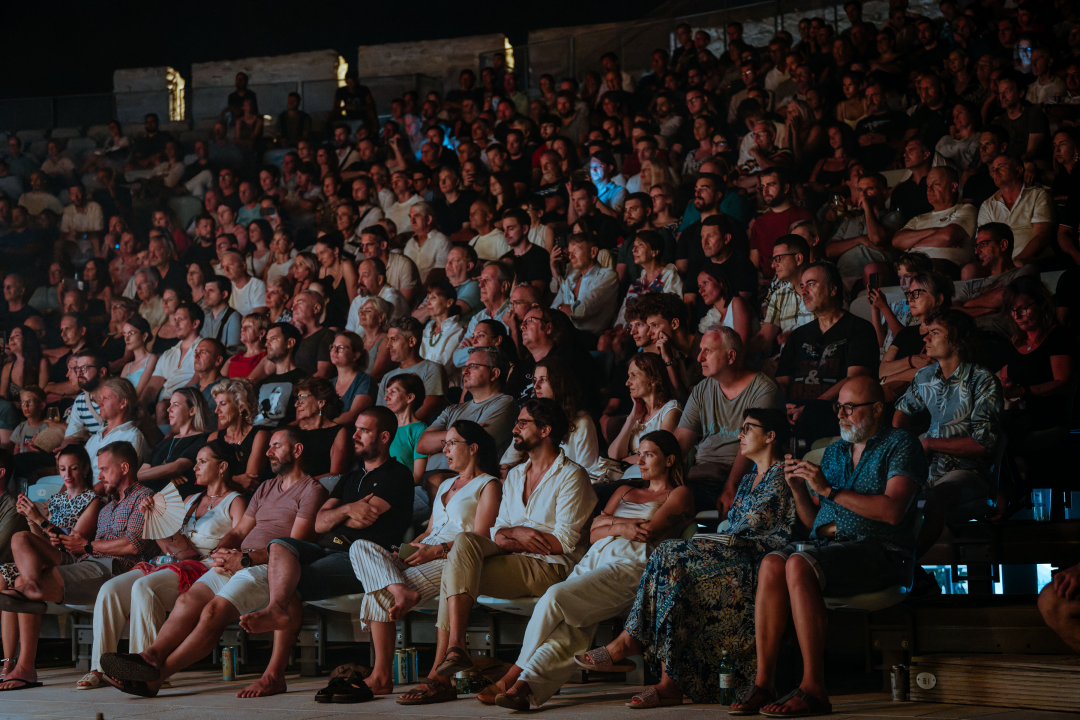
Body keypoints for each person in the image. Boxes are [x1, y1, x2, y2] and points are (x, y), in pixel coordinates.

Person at [730, 378, 927, 717]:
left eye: (851, 407)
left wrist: (829, 490)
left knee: (798, 563)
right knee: (773, 563)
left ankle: (813, 688)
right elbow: (815, 524)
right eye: (839, 407)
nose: (842, 414)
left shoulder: (901, 444)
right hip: (833, 547)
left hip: (882, 551)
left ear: (878, 409)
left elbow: (893, 512)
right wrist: (798, 490)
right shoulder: (836, 451)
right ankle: (764, 684)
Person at [576, 409, 795, 706]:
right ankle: (667, 681)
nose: (740, 435)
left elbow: (782, 530)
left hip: (756, 560)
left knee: (668, 551)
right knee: (672, 565)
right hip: (730, 550)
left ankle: (633, 642)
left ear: (771, 436)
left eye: (748, 428)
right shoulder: (748, 479)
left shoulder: (785, 475)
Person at [101, 428, 327, 698]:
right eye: (268, 446)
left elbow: (293, 546)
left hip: (269, 567)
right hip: (236, 560)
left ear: (297, 451)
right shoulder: (266, 488)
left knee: (211, 613)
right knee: (186, 602)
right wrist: (223, 549)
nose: (268, 452)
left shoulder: (312, 490)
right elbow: (240, 531)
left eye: (276, 446)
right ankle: (149, 656)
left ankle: (156, 677)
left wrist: (244, 558)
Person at [398, 398, 596, 706]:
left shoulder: (572, 475)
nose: (514, 429)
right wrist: (519, 533)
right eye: (516, 422)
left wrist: (512, 537)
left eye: (523, 423)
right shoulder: (515, 475)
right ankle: (455, 649)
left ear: (545, 430)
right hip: (513, 561)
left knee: (455, 571)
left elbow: (563, 542)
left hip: (550, 566)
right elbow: (498, 532)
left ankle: (440, 677)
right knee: (463, 546)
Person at [490, 429, 695, 710]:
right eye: (639, 453)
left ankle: (514, 672)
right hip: (594, 559)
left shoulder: (679, 493)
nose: (641, 460)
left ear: (670, 459)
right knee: (573, 630)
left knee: (555, 597)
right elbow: (593, 534)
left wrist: (610, 524)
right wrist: (622, 526)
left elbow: (647, 531)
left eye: (649, 454)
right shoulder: (625, 489)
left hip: (631, 565)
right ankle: (524, 689)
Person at [234, 408, 413, 700]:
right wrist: (346, 510)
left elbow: (365, 519)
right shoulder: (352, 478)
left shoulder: (398, 475)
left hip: (362, 558)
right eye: (355, 429)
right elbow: (319, 522)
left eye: (363, 431)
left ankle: (273, 673)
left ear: (384, 437)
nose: (354, 435)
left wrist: (339, 514)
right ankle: (277, 611)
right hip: (326, 548)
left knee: (289, 584)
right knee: (280, 544)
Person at [325, 419, 500, 698]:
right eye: (444, 444)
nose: (445, 450)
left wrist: (434, 550)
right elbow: (429, 530)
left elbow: (480, 537)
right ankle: (400, 589)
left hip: (452, 558)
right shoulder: (444, 485)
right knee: (361, 546)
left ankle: (380, 674)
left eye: (452, 443)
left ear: (474, 448)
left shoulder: (489, 485)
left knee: (379, 592)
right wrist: (407, 549)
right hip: (423, 552)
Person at [81, 440, 247, 690]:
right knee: (110, 590)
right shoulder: (190, 499)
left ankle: (143, 668)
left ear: (222, 466)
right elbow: (172, 546)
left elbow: (239, 540)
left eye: (202, 461)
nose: (195, 467)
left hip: (207, 566)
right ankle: (100, 667)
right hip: (178, 561)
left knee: (145, 588)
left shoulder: (235, 502)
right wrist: (153, 519)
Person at [0, 442, 156, 692]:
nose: (100, 475)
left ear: (124, 468)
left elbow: (133, 545)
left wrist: (88, 546)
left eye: (104, 469)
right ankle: (25, 662)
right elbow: (78, 547)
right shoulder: (108, 508)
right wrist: (38, 523)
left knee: (23, 585)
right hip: (88, 564)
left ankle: (30, 597)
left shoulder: (144, 498)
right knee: (19, 543)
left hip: (115, 569)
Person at [894, 310, 1002, 565]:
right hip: (927, 469)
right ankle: (889, 562)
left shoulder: (982, 381)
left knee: (932, 499)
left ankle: (907, 564)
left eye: (935, 333)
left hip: (967, 472)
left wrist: (929, 443)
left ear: (956, 341)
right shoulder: (925, 377)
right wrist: (905, 445)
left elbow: (982, 444)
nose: (927, 340)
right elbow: (901, 412)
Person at [1, 445, 98, 684]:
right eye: (62, 469)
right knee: (6, 575)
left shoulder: (93, 500)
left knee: (18, 538)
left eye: (74, 468)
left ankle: (31, 586)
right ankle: (8, 663)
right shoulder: (56, 499)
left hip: (71, 559)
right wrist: (31, 520)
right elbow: (43, 537)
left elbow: (73, 543)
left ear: (85, 468)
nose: (67, 474)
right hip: (50, 553)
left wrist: (38, 519)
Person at [676, 326, 783, 515]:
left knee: (672, 504)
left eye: (707, 351)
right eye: (700, 350)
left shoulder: (764, 389)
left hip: (736, 477)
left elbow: (755, 446)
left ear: (731, 356)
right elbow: (681, 441)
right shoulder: (701, 389)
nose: (699, 357)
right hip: (701, 475)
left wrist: (731, 487)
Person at [777, 262, 879, 443]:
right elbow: (782, 381)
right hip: (792, 410)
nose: (803, 292)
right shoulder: (798, 336)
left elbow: (856, 378)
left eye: (811, 284)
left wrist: (811, 408)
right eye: (802, 286)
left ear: (832, 290)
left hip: (833, 411)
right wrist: (784, 406)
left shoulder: (859, 329)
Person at [416, 347, 517, 502]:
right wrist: (461, 433)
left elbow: (477, 444)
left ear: (495, 373)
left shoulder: (505, 403)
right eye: (465, 367)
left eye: (473, 366)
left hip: (465, 485)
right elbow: (422, 445)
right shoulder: (453, 409)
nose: (465, 372)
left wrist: (443, 437)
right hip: (427, 484)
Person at [999, 276, 1076, 445]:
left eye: (1023, 309)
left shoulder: (1058, 336)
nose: (1017, 316)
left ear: (1041, 303)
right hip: (1018, 412)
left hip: (1047, 414)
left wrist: (1024, 392)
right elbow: (1005, 380)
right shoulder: (1015, 343)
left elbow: (1064, 382)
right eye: (1012, 310)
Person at [607, 353, 682, 478]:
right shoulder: (638, 415)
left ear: (653, 379)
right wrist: (631, 418)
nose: (627, 383)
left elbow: (658, 452)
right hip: (629, 475)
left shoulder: (671, 409)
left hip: (652, 478)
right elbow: (614, 455)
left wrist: (624, 461)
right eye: (628, 376)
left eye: (634, 376)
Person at [892, 167, 979, 274]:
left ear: (953, 187)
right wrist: (936, 231)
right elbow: (897, 241)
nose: (929, 189)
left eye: (936, 184)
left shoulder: (966, 209)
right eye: (928, 185)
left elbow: (948, 236)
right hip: (913, 265)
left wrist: (913, 244)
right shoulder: (919, 218)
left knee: (929, 264)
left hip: (948, 267)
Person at [976, 154, 1056, 265]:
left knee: (1019, 265)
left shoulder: (1038, 195)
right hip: (1001, 265)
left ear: (1018, 171)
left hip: (1033, 260)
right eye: (993, 169)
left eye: (1001, 167)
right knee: (969, 271)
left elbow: (1042, 235)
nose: (995, 172)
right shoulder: (987, 205)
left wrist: (1013, 264)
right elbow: (984, 242)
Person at [748, 235, 815, 356]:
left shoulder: (821, 290)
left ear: (798, 258)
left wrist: (798, 336)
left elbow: (834, 331)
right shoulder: (779, 295)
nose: (773, 265)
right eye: (772, 260)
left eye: (778, 259)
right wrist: (736, 350)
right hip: (787, 366)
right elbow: (764, 339)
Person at [138, 388, 211, 495]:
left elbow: (177, 467)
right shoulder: (165, 442)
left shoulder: (202, 439)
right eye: (170, 404)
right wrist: (166, 473)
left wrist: (166, 471)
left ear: (192, 410)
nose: (169, 409)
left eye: (175, 404)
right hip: (149, 500)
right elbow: (140, 473)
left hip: (178, 501)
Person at [376, 317, 449, 422]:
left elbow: (426, 411)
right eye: (388, 340)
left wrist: (398, 432)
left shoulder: (432, 369)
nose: (388, 346)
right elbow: (381, 413)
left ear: (411, 341)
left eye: (394, 340)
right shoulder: (387, 376)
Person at [550, 233, 619, 341]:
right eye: (570, 252)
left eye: (576, 251)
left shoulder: (608, 275)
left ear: (593, 252)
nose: (571, 256)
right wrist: (561, 309)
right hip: (564, 334)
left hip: (589, 338)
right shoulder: (571, 277)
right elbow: (553, 310)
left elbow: (581, 311)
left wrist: (561, 309)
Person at [748, 169, 813, 283]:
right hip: (766, 286)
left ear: (785, 188)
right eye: (763, 186)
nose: (766, 190)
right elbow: (754, 262)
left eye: (771, 185)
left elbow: (811, 258)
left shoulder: (803, 215)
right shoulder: (760, 222)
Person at [145, 303, 204, 423]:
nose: (176, 324)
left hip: (189, 403)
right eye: (175, 319)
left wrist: (172, 402)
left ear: (195, 323)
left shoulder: (204, 349)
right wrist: (139, 406)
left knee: (161, 408)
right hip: (163, 406)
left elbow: (198, 379)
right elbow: (152, 387)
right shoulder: (168, 354)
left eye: (181, 319)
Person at [207, 378, 270, 490]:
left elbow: (249, 482)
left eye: (223, 404)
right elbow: (204, 478)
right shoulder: (214, 437)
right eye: (217, 405)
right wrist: (234, 480)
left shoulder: (260, 435)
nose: (217, 411)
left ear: (240, 407)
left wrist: (217, 479)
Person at [84, 378, 152, 480]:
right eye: (100, 399)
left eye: (105, 399)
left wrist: (85, 495)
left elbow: (117, 480)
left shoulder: (132, 436)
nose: (99, 404)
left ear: (123, 403)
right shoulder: (94, 438)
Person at [292, 377, 353, 482]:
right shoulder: (293, 431)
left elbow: (336, 474)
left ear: (321, 402)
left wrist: (302, 484)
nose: (297, 404)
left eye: (302, 398)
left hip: (319, 489)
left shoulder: (338, 432)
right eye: (297, 399)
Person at [252, 323, 307, 428]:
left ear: (290, 343)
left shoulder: (304, 380)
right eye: (266, 340)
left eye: (273, 339)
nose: (267, 344)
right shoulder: (262, 383)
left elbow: (305, 418)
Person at [288, 291, 333, 379]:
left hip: (306, 389)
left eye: (299, 303)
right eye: (293, 304)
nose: (293, 308)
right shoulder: (291, 335)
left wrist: (297, 388)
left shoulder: (327, 335)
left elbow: (323, 373)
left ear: (316, 308)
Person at [349, 296, 395, 381]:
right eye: (360, 310)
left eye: (368, 311)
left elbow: (377, 374)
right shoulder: (360, 340)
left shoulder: (386, 340)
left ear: (381, 317)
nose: (361, 313)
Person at [0, 326, 48, 404]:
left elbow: (41, 395)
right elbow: (3, 397)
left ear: (27, 339)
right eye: (10, 336)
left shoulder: (41, 363)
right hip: (12, 412)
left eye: (17, 335)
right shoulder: (7, 368)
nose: (10, 339)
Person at [199, 276, 241, 353]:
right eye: (205, 291)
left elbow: (233, 351)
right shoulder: (204, 316)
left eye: (211, 291)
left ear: (224, 294)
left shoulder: (233, 317)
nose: (206, 295)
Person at [222, 313, 268, 379]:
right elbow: (219, 381)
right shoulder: (234, 358)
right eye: (242, 326)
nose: (242, 329)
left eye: (249, 326)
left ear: (261, 333)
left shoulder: (265, 357)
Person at [222, 251, 267, 316]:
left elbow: (257, 318)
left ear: (243, 265)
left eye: (231, 264)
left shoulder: (258, 285)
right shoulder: (228, 286)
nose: (226, 269)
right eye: (223, 266)